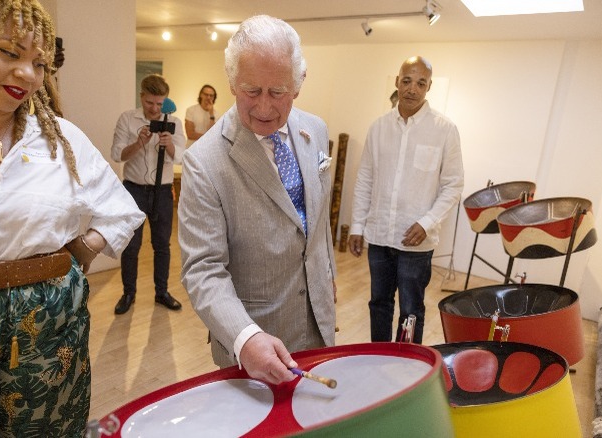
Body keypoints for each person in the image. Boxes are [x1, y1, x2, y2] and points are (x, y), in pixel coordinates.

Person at [0, 1, 145, 436]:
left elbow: (121, 209)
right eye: (9, 53)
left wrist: (83, 249)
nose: (28, 75)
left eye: (38, 63)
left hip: (49, 324)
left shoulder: (61, 141)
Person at [178, 15, 337, 385]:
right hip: (255, 341)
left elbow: (315, 219)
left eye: (278, 92)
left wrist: (327, 275)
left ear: (298, 84)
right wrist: (246, 338)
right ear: (232, 82)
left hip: (320, 322)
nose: (264, 107)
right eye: (251, 91)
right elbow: (203, 269)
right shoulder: (204, 161)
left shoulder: (315, 129)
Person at [348, 56, 464, 344]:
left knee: (411, 310)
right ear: (397, 81)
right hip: (379, 236)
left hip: (416, 241)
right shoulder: (378, 128)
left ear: (429, 87)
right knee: (379, 304)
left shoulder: (444, 130)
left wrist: (426, 223)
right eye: (407, 81)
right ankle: (378, 356)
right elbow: (365, 179)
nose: (412, 88)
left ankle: (408, 365)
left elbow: (453, 185)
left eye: (420, 83)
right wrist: (356, 226)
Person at [111, 74, 186, 314]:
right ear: (141, 96)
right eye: (149, 102)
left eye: (159, 103)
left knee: (162, 245)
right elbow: (117, 155)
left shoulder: (174, 121)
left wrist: (170, 145)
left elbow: (182, 158)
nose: (154, 109)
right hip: (132, 190)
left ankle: (161, 292)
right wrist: (138, 143)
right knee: (131, 246)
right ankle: (128, 293)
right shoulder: (127, 119)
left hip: (163, 191)